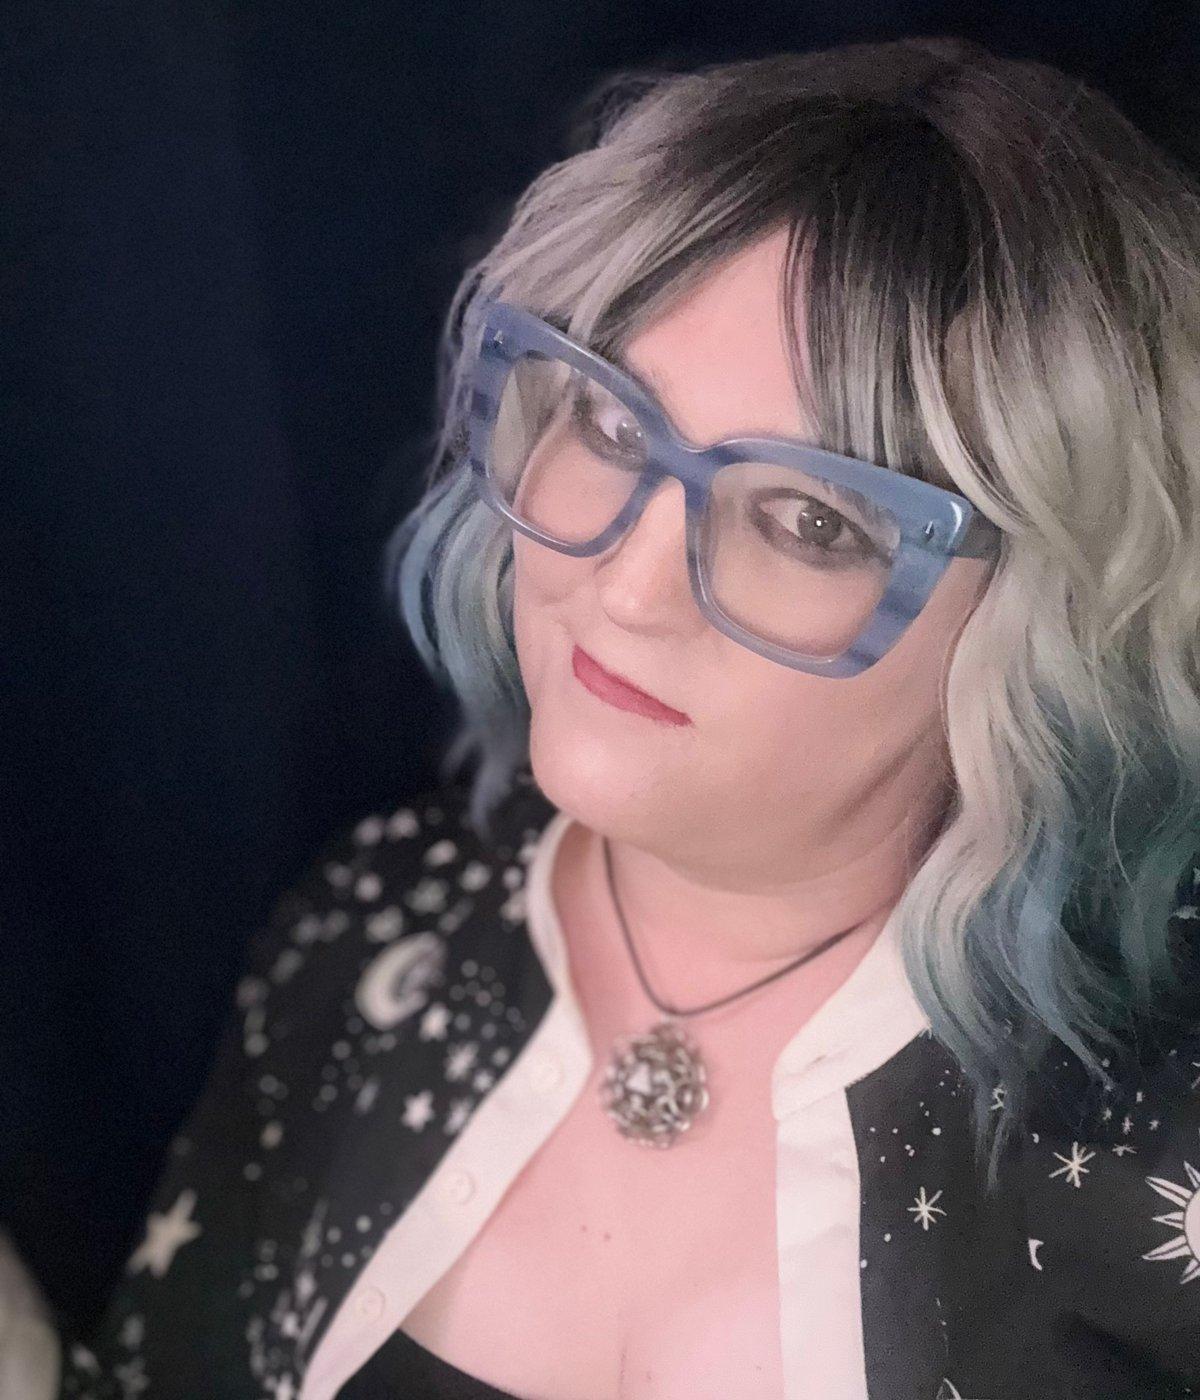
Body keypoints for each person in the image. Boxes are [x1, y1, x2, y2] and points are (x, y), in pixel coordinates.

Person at [45, 31, 1200, 1400]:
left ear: (1046, 626)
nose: (629, 583)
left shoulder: (1157, 1158)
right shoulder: (371, 930)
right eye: (607, 423)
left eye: (810, 519)